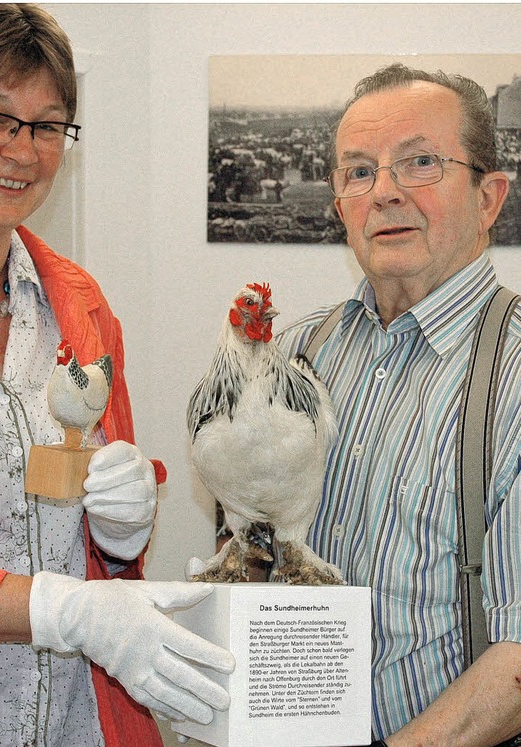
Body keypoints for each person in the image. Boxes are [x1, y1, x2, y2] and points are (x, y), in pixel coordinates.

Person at [0, 4, 234, 746]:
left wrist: (119, 532)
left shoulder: (81, 304)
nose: (22, 150)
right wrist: (54, 609)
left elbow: (101, 550)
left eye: (47, 125)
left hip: (88, 725)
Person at [275, 63, 521, 746]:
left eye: (419, 163)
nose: (383, 193)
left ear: (489, 198)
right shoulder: (296, 353)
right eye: (358, 171)